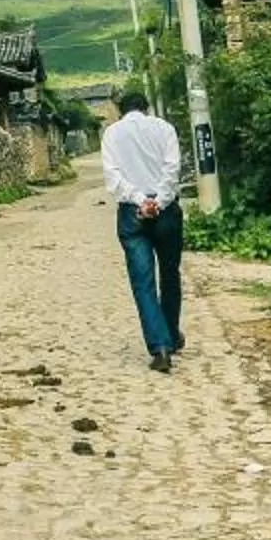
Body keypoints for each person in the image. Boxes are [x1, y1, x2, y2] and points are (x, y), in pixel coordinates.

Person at [100, 87, 185, 371]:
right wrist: (157, 202)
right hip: (166, 212)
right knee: (170, 275)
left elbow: (113, 177)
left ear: (122, 110)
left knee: (143, 282)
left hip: (131, 214)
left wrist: (141, 201)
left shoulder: (112, 134)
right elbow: (172, 170)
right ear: (146, 107)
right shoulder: (165, 129)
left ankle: (159, 347)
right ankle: (172, 334)